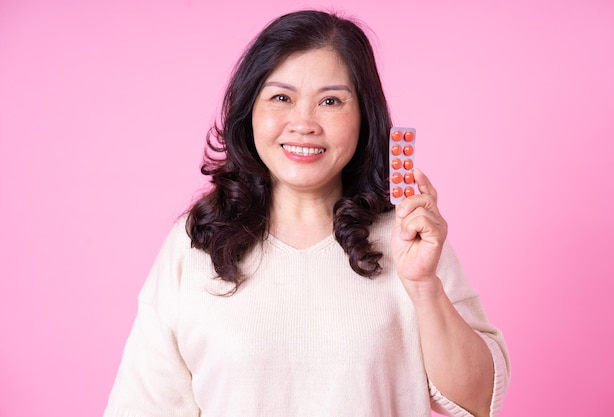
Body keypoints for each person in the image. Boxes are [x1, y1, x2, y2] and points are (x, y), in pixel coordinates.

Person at [104, 9, 510, 417]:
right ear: (249, 111)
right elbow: (142, 406)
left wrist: (424, 287)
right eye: (281, 97)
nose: (304, 123)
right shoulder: (195, 242)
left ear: (364, 119)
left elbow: (477, 402)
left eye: (331, 101)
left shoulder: (408, 237)